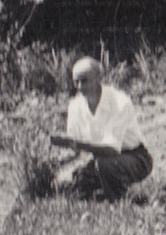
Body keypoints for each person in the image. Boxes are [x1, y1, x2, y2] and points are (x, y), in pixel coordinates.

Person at [51, 56, 153, 200]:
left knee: (105, 165)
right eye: (76, 81)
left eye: (84, 80)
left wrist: (73, 142)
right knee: (65, 183)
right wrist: (54, 161)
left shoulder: (119, 102)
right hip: (98, 160)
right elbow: (75, 150)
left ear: (99, 77)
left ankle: (119, 201)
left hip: (134, 157)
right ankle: (101, 195)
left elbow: (111, 149)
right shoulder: (75, 105)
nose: (80, 87)